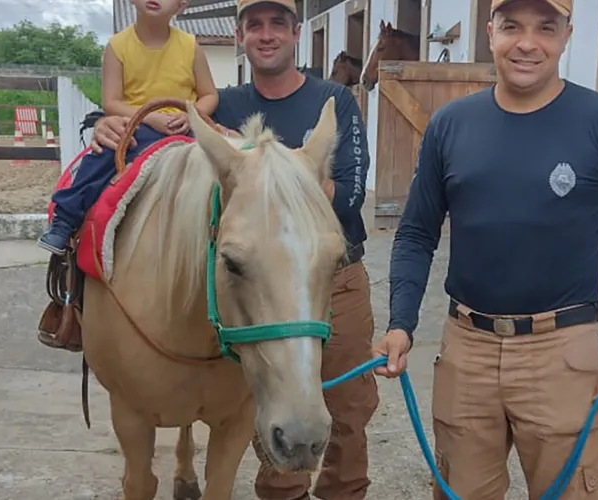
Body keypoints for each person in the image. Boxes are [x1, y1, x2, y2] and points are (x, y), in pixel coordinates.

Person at [371, 0, 598, 499]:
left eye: (545, 28)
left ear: (567, 34)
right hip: (466, 350)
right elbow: (415, 233)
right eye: (512, 26)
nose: (527, 43)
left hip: (561, 353)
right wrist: (400, 323)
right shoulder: (450, 125)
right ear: (491, 32)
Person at [89, 1, 379, 497]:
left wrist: (276, 175)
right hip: (251, 283)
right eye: (255, 25)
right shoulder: (218, 105)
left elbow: (349, 198)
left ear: (295, 33)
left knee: (347, 414)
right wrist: (108, 126)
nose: (267, 35)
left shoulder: (334, 101)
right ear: (241, 35)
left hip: (329, 278)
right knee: (265, 417)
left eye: (278, 24)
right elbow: (171, 148)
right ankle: (70, 298)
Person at [37, 0, 219, 255]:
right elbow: (111, 102)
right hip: (137, 127)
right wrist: (148, 117)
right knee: (102, 156)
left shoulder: (191, 47)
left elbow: (209, 94)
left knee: (224, 163)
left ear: (181, 5)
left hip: (182, 129)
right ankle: (65, 220)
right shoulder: (118, 46)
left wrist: (191, 115)